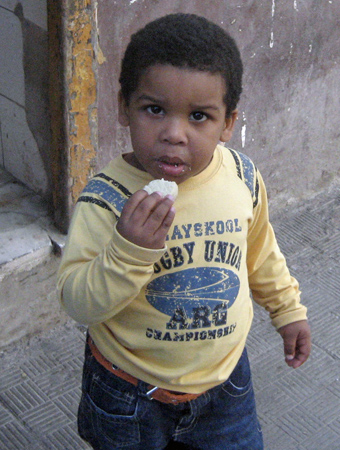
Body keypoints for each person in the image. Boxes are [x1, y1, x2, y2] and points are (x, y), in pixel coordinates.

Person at [57, 13, 311, 450]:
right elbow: (78, 303)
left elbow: (260, 251)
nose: (174, 134)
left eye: (199, 116)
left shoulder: (241, 176)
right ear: (124, 108)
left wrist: (287, 309)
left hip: (225, 385)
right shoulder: (107, 200)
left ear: (228, 123)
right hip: (129, 392)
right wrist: (127, 250)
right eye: (154, 109)